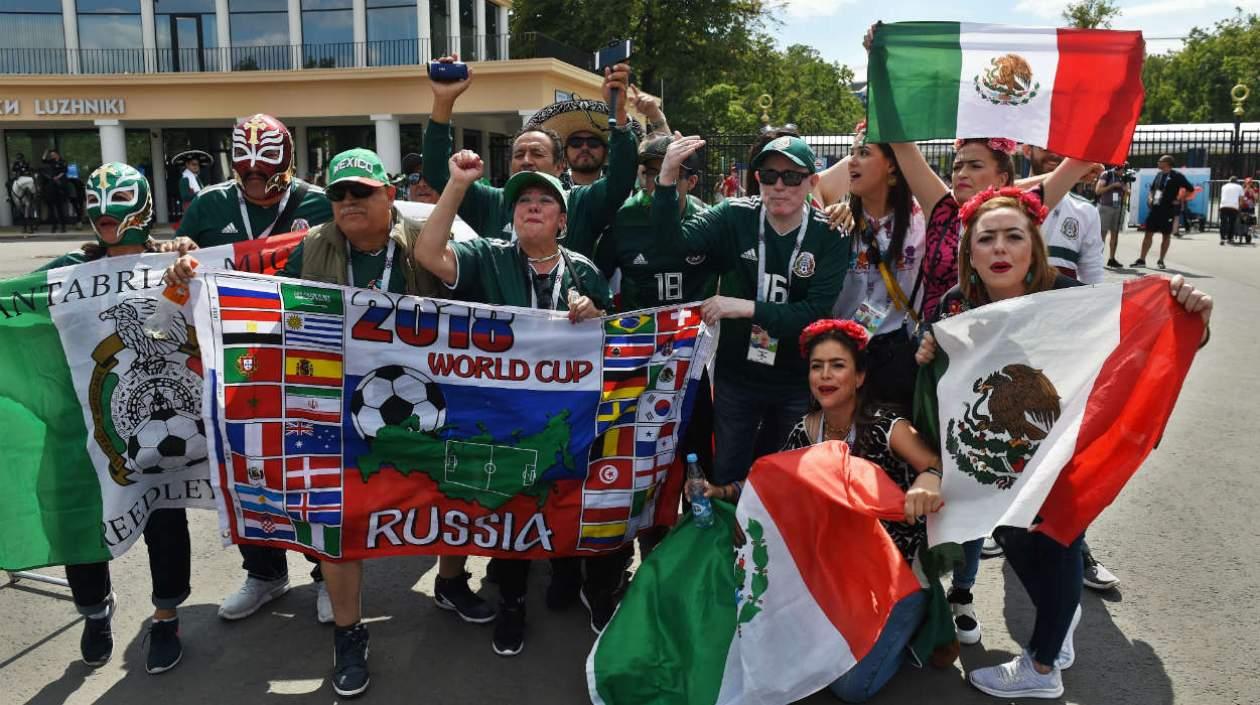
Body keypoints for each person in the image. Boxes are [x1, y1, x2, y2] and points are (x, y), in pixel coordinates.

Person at [166, 148, 481, 697]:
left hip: (423, 396)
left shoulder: (426, 240)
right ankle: (348, 631)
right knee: (338, 514)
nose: (349, 202)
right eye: (338, 194)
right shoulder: (312, 246)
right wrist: (194, 276)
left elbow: (481, 302)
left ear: (389, 194)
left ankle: (451, 582)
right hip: (336, 401)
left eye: (361, 191)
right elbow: (261, 305)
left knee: (447, 492)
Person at [915, 187, 1212, 699]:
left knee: (1058, 536)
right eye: (986, 239)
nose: (1000, 248)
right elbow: (943, 371)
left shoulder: (1069, 293)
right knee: (1009, 535)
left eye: (1013, 236)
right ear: (970, 252)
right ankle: (1059, 623)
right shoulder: (956, 305)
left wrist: (1192, 318)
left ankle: (1043, 666)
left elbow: (1140, 336)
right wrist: (925, 348)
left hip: (1064, 445)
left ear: (1034, 246)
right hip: (1000, 455)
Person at [414, 149, 611, 657]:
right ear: (511, 213)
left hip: (563, 418)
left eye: (546, 200)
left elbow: (615, 337)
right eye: (523, 199)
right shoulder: (488, 256)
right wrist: (456, 183)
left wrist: (595, 312)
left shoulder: (584, 269)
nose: (532, 207)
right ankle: (513, 602)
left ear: (562, 220)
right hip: (500, 418)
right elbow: (429, 253)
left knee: (561, 499)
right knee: (510, 508)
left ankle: (570, 575)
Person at [702, 318, 944, 703]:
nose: (825, 376)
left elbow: (935, 465)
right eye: (817, 366)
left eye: (838, 365)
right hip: (830, 571)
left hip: (891, 574)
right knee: (778, 647)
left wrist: (926, 481)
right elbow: (774, 485)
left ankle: (916, 628)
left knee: (849, 687)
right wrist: (722, 490)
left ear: (860, 376)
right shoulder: (805, 430)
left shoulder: (888, 426)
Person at [170, 113, 334, 624]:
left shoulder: (319, 202)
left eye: (267, 173)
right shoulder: (210, 204)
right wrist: (178, 255)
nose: (256, 182)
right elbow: (176, 271)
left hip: (307, 357)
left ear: (288, 165)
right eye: (247, 173)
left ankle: (328, 575)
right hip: (234, 362)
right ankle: (264, 572)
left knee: (312, 467)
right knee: (245, 469)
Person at [45, 162, 189, 675]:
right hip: (91, 417)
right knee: (83, 515)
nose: (106, 213)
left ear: (142, 205)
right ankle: (94, 610)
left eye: (118, 200)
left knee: (163, 512)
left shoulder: (172, 258)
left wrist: (183, 257)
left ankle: (167, 615)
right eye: (97, 202)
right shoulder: (65, 268)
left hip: (160, 416)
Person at [651, 133, 848, 488]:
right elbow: (671, 244)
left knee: (786, 476)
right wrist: (666, 177)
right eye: (768, 175)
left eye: (791, 177)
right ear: (756, 179)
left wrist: (743, 308)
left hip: (795, 377)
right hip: (737, 375)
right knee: (727, 469)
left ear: (812, 182)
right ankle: (730, 541)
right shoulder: (734, 215)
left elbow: (813, 314)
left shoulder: (830, 233)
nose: (779, 186)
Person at [422, 55, 638, 255]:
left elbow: (620, 180)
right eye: (519, 154)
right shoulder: (491, 203)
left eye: (537, 153)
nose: (526, 160)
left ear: (559, 166)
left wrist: (617, 113)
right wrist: (444, 101)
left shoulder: (580, 204)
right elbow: (436, 173)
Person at [825, 121, 927, 410]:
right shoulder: (837, 220)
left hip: (899, 356)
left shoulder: (922, 219)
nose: (852, 161)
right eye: (851, 152)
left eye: (864, 153)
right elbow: (813, 187)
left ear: (893, 165)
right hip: (845, 354)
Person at [175, 113, 331, 249]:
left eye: (268, 154)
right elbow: (174, 263)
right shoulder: (208, 203)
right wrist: (181, 250)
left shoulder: (324, 204)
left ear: (288, 158)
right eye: (242, 152)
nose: (252, 165)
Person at [1025, 146, 1104, 284]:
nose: (1055, 154)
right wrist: (1072, 173)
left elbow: (1092, 273)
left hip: (1062, 304)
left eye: (1061, 148)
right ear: (1027, 150)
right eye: (1045, 148)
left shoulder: (1086, 210)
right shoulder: (1004, 202)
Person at [1133, 155, 1193, 269]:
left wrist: (1180, 199)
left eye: (1160, 161)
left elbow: (1190, 189)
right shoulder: (1159, 174)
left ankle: (1161, 260)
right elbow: (1152, 190)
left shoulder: (1177, 176)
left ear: (1167, 163)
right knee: (1148, 233)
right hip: (1155, 209)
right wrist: (1150, 198)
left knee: (1166, 235)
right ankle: (1142, 259)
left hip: (1168, 210)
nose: (1158, 162)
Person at [1095, 163, 1130, 267]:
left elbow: (1129, 192)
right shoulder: (1107, 174)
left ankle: (1112, 258)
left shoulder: (1124, 177)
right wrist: (1112, 186)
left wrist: (1125, 189)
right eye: (1123, 170)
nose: (1123, 172)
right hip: (1105, 207)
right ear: (1118, 168)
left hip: (1118, 208)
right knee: (1102, 234)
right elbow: (1098, 191)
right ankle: (1097, 258)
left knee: (1115, 234)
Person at [40, 149, 69, 233]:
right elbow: (43, 160)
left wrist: (58, 177)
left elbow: (64, 171)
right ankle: (54, 226)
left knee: (59, 208)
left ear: (57, 154)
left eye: (53, 154)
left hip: (60, 178)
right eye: (51, 155)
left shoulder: (63, 161)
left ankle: (63, 226)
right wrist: (45, 153)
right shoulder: (51, 161)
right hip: (53, 180)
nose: (52, 156)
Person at [1219, 176, 1243, 245]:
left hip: (1223, 206)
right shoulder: (1239, 187)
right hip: (1233, 207)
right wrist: (1240, 208)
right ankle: (1230, 238)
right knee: (1232, 223)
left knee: (1223, 223)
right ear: (1236, 181)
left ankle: (1222, 238)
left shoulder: (1223, 186)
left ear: (1229, 181)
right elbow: (1241, 199)